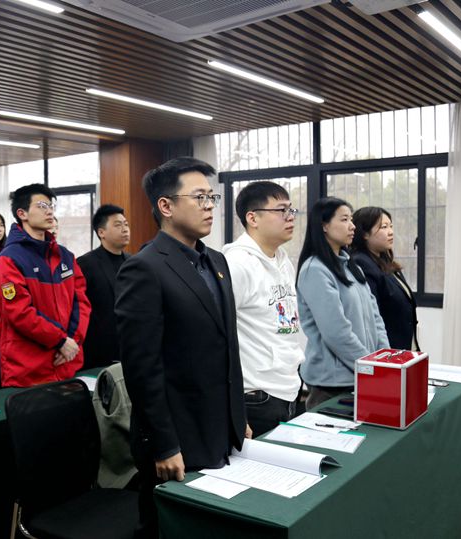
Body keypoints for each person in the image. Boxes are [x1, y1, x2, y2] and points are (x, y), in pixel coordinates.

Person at [115, 157, 248, 539]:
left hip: (220, 428)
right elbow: (142, 369)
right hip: (177, 436)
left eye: (212, 197)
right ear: (166, 206)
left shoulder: (216, 261)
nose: (209, 206)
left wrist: (237, 417)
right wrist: (164, 444)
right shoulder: (144, 268)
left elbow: (226, 347)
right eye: (199, 197)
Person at [222, 181, 305, 438]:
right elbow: (218, 335)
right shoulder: (237, 263)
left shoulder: (283, 261)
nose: (290, 217)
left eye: (291, 210)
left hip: (288, 388)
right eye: (281, 210)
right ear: (253, 218)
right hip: (256, 396)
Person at [0, 183, 91, 387]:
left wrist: (71, 341)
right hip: (28, 370)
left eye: (51, 205)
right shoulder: (9, 259)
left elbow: (81, 302)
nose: (49, 211)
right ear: (22, 214)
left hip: (66, 362)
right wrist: (60, 341)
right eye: (42, 206)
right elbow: (19, 312)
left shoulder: (65, 256)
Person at [296, 197, 389, 410]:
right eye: (345, 219)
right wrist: (370, 366)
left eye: (352, 219)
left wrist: (384, 359)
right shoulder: (315, 270)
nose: (352, 226)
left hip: (362, 372)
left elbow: (375, 318)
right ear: (324, 225)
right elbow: (336, 332)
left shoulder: (351, 267)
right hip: (333, 383)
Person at [351, 207, 419, 350]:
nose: (391, 232)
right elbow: (372, 314)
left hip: (404, 346)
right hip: (386, 349)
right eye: (384, 227)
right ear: (365, 234)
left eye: (391, 226)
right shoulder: (362, 262)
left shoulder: (384, 260)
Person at [77, 204, 130, 369]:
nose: (125, 229)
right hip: (97, 353)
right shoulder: (85, 264)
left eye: (126, 224)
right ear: (101, 232)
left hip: (129, 347)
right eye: (118, 225)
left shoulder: (133, 262)